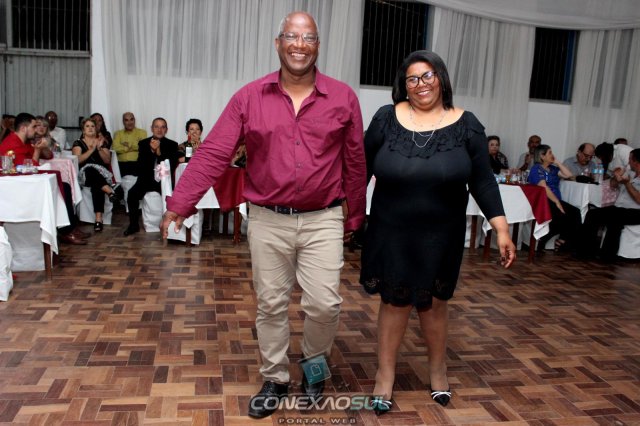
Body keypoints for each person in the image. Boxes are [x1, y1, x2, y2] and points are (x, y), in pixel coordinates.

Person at [160, 11, 366, 419]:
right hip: (268, 219)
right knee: (271, 304)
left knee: (325, 305)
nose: (299, 45)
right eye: (291, 36)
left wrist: (354, 217)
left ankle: (314, 370)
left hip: (323, 218)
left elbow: (355, 160)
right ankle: (275, 378)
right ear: (278, 43)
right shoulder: (249, 97)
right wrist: (181, 202)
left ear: (317, 46)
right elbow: (214, 151)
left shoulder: (343, 98)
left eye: (308, 38)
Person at [360, 50, 515, 415]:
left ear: (442, 78)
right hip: (391, 230)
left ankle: (437, 369)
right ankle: (385, 375)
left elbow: (483, 181)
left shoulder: (467, 125)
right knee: (393, 302)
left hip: (441, 233)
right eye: (412, 78)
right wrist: (346, 215)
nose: (421, 84)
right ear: (404, 85)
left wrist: (502, 228)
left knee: (434, 304)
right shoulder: (385, 119)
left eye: (428, 75)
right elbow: (360, 170)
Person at [577, 149, 640, 261]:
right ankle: (586, 251)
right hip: (620, 208)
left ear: (636, 162)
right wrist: (616, 177)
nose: (628, 162)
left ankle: (607, 255)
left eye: (630, 159)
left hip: (636, 211)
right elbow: (613, 185)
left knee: (615, 219)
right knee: (593, 214)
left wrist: (627, 184)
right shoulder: (630, 173)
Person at [124, 117, 179, 236]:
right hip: (146, 179)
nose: (159, 130)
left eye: (162, 127)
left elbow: (171, 165)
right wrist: (152, 151)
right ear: (152, 128)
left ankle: (168, 226)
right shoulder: (143, 143)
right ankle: (133, 225)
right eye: (156, 127)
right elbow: (140, 165)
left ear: (166, 130)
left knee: (173, 198)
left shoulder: (172, 145)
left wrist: (158, 153)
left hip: (163, 181)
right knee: (132, 194)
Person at [527, 144, 581, 251]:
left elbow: (569, 175)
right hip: (543, 200)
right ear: (542, 156)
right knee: (564, 216)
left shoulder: (553, 169)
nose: (552, 155)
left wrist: (557, 162)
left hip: (555, 199)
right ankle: (545, 239)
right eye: (550, 153)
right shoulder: (537, 169)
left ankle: (562, 240)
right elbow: (544, 187)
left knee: (575, 213)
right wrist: (557, 202)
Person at [72, 118, 120, 232]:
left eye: (92, 126)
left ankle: (98, 219)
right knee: (90, 170)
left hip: (101, 174)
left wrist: (99, 148)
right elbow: (77, 160)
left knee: (96, 185)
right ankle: (109, 192)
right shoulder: (78, 143)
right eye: (87, 126)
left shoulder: (102, 142)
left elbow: (107, 160)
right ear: (83, 130)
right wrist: (91, 149)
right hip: (84, 174)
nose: (90, 128)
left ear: (96, 129)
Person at [112, 112, 147, 176]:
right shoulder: (117, 134)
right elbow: (115, 148)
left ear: (134, 120)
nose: (130, 122)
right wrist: (130, 147)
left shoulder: (142, 132)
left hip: (137, 164)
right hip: (121, 165)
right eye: (126, 120)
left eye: (131, 119)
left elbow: (143, 147)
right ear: (123, 122)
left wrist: (125, 145)